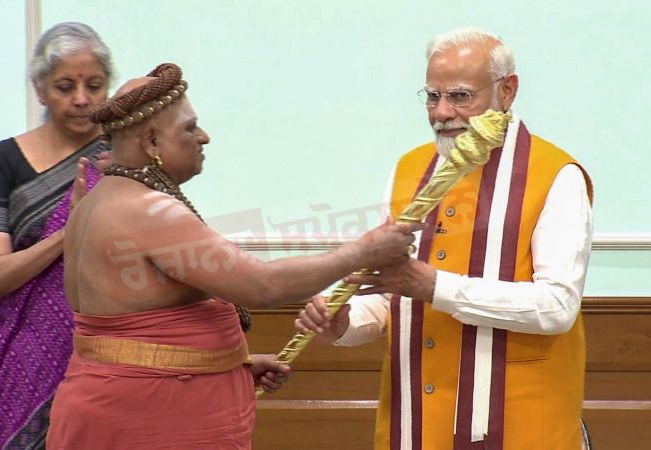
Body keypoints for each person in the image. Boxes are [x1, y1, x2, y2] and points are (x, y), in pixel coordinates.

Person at [45, 62, 421, 450]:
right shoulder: (146, 210)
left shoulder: (94, 204)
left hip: (121, 403)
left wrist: (226, 364)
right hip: (142, 416)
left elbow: (133, 331)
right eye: (189, 128)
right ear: (152, 142)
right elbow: (263, 286)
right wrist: (363, 251)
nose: (203, 137)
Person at [296, 27, 594, 450]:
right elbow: (393, 294)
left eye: (459, 96)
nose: (441, 113)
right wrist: (346, 323)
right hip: (415, 421)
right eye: (432, 96)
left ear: (507, 91)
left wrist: (434, 286)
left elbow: (557, 307)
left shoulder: (557, 175)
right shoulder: (409, 169)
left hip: (520, 424)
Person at [0, 22, 113, 450]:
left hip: (107, 352)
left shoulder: (122, 158)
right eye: (65, 87)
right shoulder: (5, 160)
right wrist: (68, 234)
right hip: (26, 353)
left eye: (94, 85)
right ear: (40, 89)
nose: (82, 99)